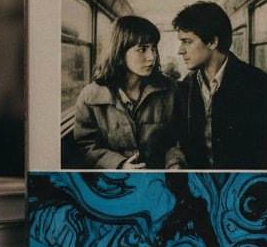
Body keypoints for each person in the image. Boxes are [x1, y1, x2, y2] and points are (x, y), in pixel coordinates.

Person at [72, 13, 185, 170]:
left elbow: (176, 140)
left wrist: (174, 164)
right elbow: (85, 145)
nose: (151, 57)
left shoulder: (169, 90)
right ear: (119, 52)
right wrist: (119, 165)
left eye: (153, 48)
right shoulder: (90, 96)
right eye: (142, 49)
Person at [172, 0, 267, 170]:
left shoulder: (258, 85)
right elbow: (180, 142)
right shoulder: (185, 87)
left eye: (187, 41)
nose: (180, 50)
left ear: (212, 42)